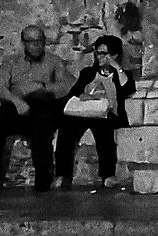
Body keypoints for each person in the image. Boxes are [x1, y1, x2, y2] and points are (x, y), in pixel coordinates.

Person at [0, 23, 67, 193]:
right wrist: (17, 101)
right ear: (24, 43)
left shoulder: (54, 61)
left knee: (42, 125)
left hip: (42, 104)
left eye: (40, 41)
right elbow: (0, 87)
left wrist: (41, 86)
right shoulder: (11, 62)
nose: (36, 45)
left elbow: (64, 87)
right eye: (31, 41)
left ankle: (43, 181)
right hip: (16, 103)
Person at [54, 33, 137, 191]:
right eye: (97, 53)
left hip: (108, 112)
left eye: (103, 53)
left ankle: (107, 175)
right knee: (66, 127)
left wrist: (116, 67)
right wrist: (86, 94)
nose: (99, 57)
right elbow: (75, 92)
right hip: (87, 110)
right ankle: (62, 174)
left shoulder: (121, 74)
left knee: (103, 128)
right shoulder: (88, 72)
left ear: (114, 55)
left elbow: (127, 88)